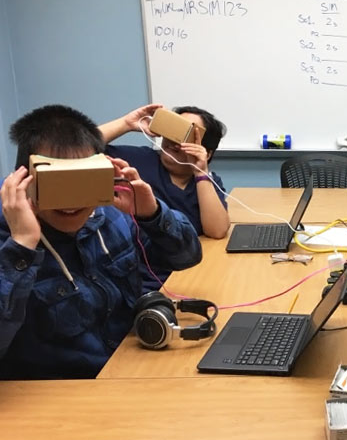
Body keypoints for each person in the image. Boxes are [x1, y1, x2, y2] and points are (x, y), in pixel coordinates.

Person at [0, 105, 202, 379]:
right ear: (23, 180)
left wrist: (152, 214)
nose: (72, 202)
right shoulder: (10, 238)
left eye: (82, 180)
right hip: (60, 395)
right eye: (57, 183)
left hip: (131, 367)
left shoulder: (111, 214)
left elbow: (187, 257)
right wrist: (22, 245)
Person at [99, 104, 230, 239]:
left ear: (206, 153)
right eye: (174, 130)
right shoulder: (141, 159)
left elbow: (217, 231)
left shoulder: (206, 182)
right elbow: (80, 150)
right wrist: (125, 124)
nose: (175, 141)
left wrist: (200, 173)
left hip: (185, 254)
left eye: (187, 135)